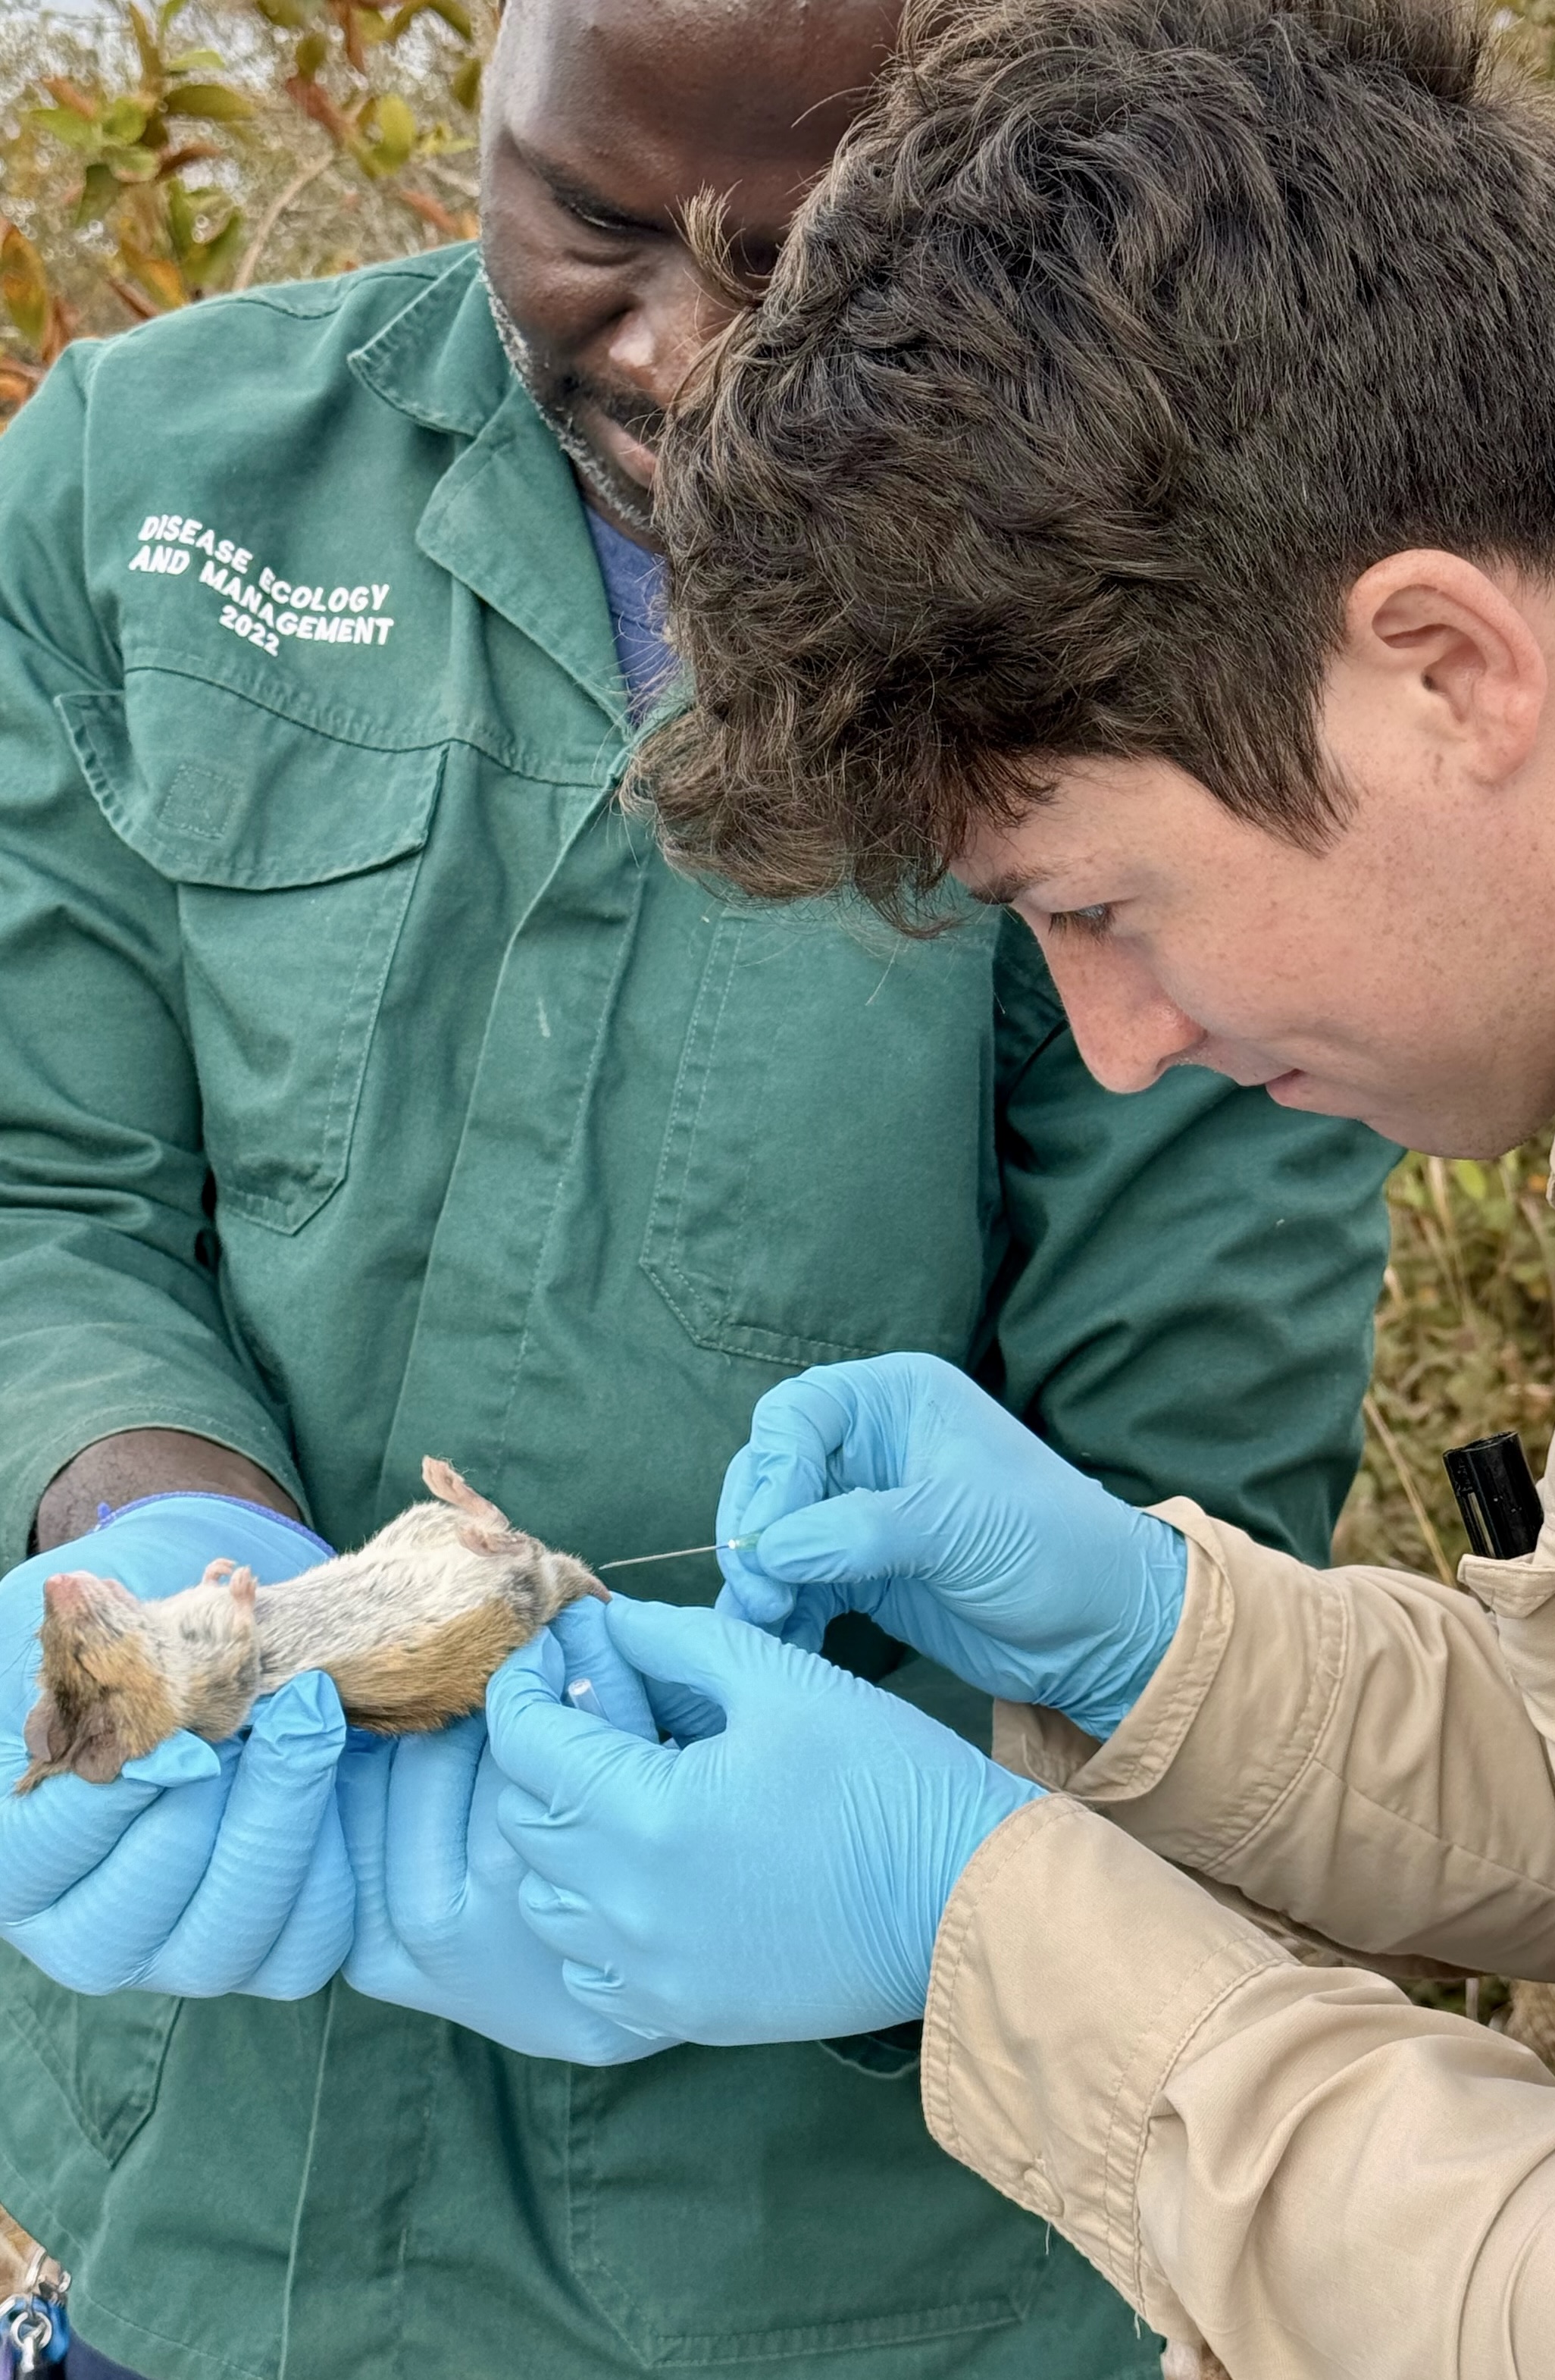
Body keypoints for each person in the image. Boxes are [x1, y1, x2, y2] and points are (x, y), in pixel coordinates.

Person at [467, 0, 1555, 2373]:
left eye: (1096, 902)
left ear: (1438, 665)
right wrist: (1149, 1641)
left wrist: (976, 1920)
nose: (1124, 1037)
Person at [0, 0, 1400, 2372]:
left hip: (838, 2278)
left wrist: (883, 1884)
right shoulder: (150, 486)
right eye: (594, 220)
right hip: (209, 2210)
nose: (682, 349)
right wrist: (146, 1524)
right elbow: (46, 1173)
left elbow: (1182, 1511)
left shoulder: (1172, 607)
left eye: (808, 254)